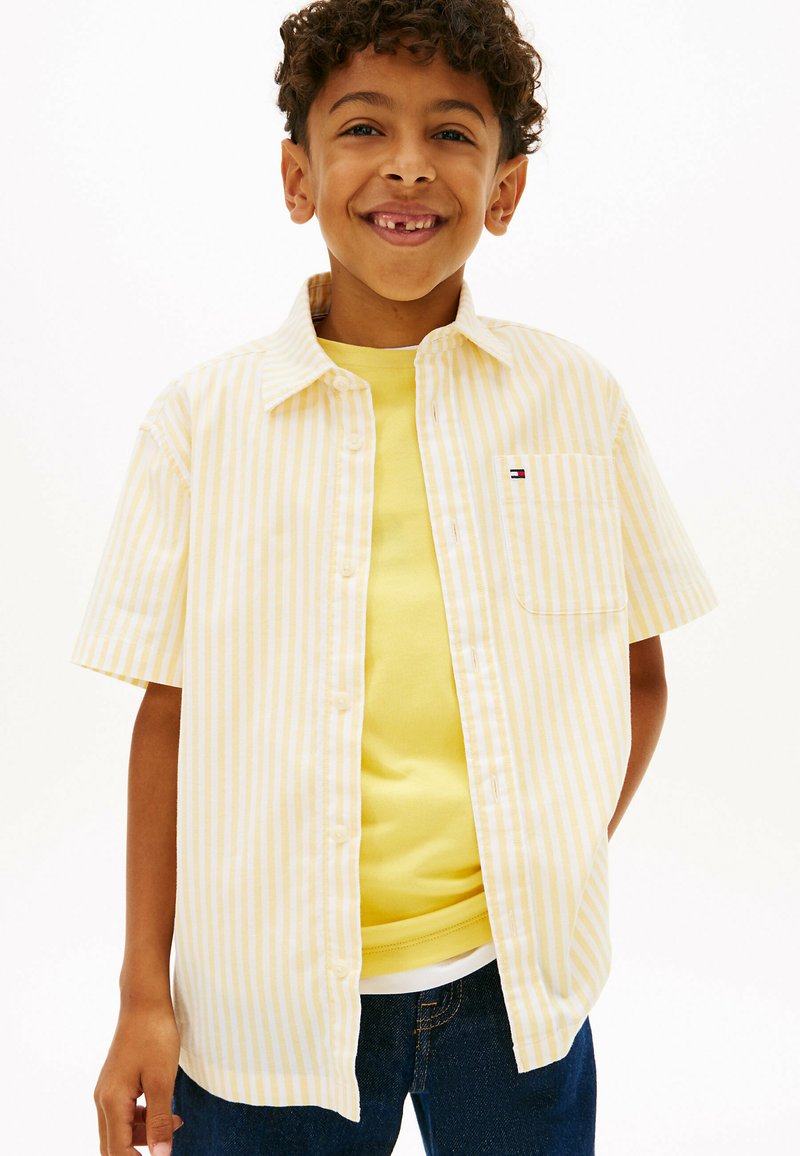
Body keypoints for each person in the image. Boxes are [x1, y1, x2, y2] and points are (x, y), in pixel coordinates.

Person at [73, 1, 719, 1153]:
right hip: (265, 1005)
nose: (408, 165)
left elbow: (637, 676)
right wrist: (141, 994)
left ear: (505, 189)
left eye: (452, 133)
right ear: (298, 176)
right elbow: (168, 721)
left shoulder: (574, 402)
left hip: (514, 995)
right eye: (364, 126)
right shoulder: (200, 425)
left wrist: (546, 872)